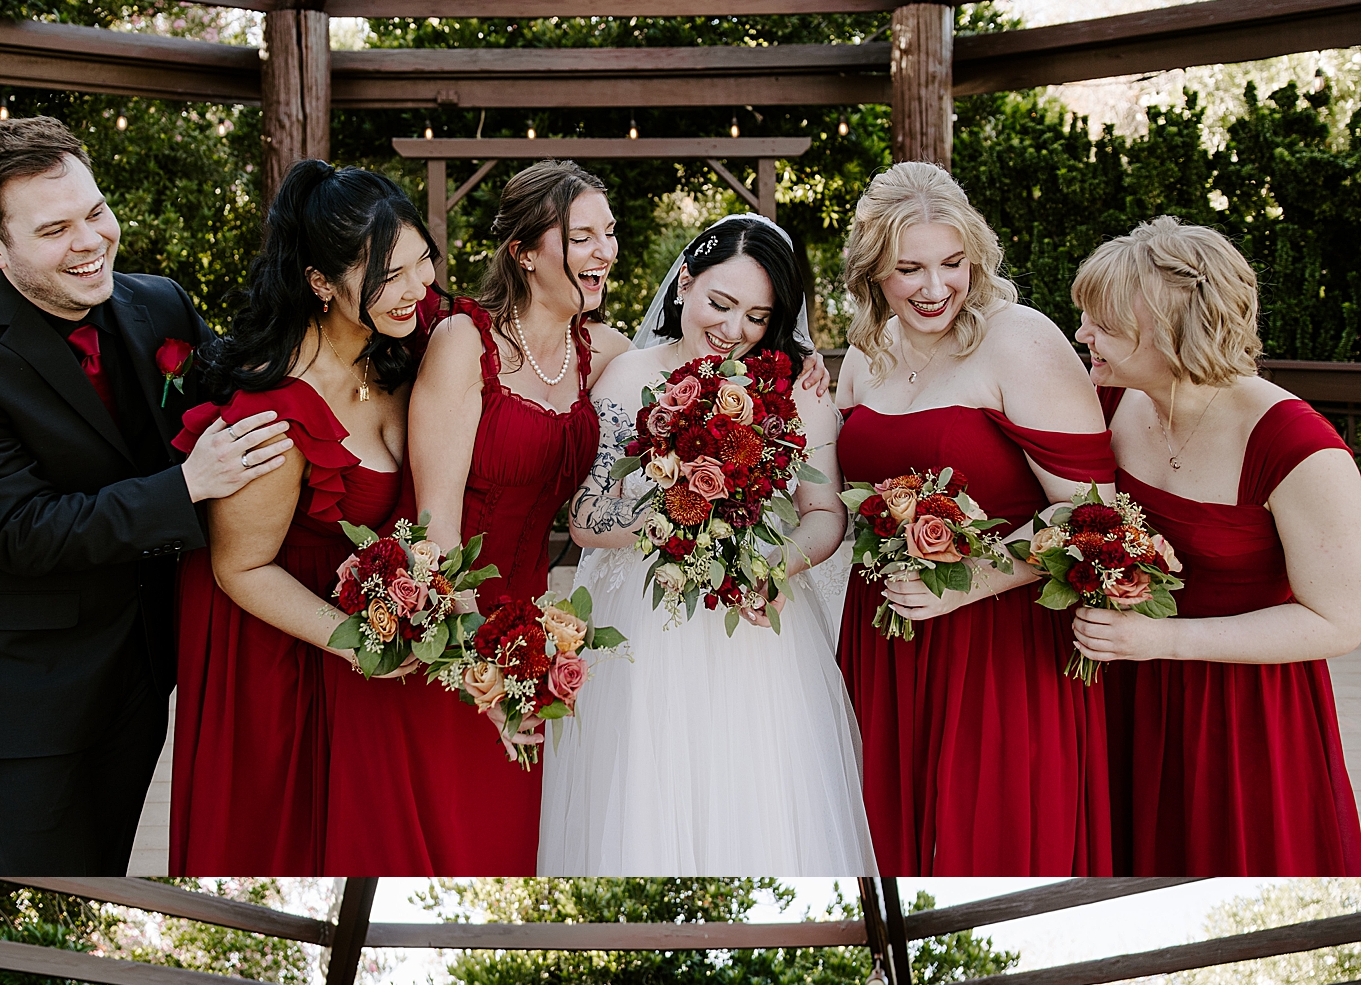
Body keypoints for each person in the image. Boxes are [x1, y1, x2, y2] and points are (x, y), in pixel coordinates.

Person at [0, 115, 291, 875]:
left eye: (96, 211)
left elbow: (242, 390)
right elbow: (17, 531)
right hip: (22, 697)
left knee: (109, 863)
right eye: (55, 228)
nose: (92, 240)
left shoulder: (159, 303)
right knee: (62, 881)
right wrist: (187, 486)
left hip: (140, 666)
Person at [543, 214, 876, 877]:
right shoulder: (625, 376)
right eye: (720, 305)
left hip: (755, 631)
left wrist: (771, 564)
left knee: (758, 797)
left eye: (757, 316)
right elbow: (584, 516)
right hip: (640, 627)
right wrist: (676, 511)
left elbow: (824, 515)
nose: (733, 330)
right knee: (642, 790)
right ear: (684, 285)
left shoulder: (793, 389)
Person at [835, 162, 1119, 876]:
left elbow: (1094, 512)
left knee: (991, 837)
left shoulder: (1018, 338)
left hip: (999, 638)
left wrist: (966, 584)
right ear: (873, 272)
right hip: (885, 634)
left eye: (953, 264)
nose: (936, 288)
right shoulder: (865, 353)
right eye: (910, 269)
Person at [169, 161, 442, 874]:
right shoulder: (272, 415)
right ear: (321, 282)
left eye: (423, 261)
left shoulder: (401, 345)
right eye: (390, 275)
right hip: (280, 654)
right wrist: (358, 643)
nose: (417, 288)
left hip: (361, 625)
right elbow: (238, 566)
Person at [1073, 216, 1361, 874]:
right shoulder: (1110, 399)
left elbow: (1341, 621)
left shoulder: (1302, 451)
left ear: (1176, 332)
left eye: (1106, 324)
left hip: (1244, 721)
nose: (1084, 335)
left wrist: (1166, 642)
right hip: (1126, 698)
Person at [394, 160, 627, 873]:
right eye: (582, 236)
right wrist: (480, 668)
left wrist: (798, 369)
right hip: (446, 632)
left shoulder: (608, 354)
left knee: (518, 839)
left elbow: (699, 363)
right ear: (525, 253)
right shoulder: (466, 343)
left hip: (533, 640)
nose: (605, 251)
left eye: (609, 234)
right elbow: (436, 525)